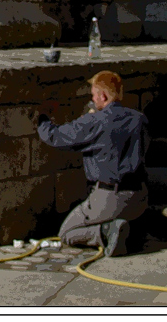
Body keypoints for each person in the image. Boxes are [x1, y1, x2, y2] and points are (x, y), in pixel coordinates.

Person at [35, 70, 149, 257]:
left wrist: (43, 116)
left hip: (110, 196)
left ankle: (105, 232)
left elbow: (55, 137)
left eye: (94, 95)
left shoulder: (95, 121)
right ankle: (129, 227)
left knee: (67, 233)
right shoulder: (139, 119)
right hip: (140, 196)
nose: (94, 99)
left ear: (102, 96)